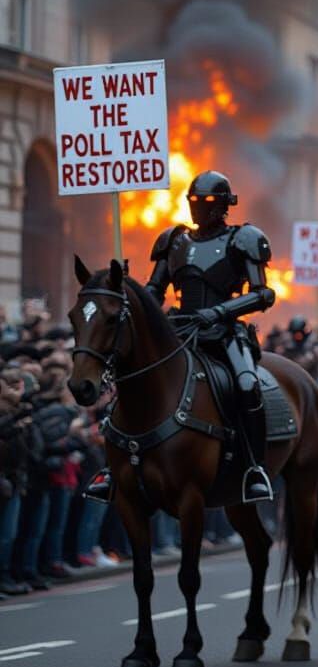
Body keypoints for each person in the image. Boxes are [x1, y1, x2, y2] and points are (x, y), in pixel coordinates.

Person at [85, 170, 276, 505]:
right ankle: (111, 470)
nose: (196, 208)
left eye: (204, 203)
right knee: (131, 380)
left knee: (247, 384)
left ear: (221, 206)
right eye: (193, 202)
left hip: (224, 332)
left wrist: (220, 312)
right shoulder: (174, 240)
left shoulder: (242, 239)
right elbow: (155, 292)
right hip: (177, 331)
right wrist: (128, 290)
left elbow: (263, 294)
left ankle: (253, 469)